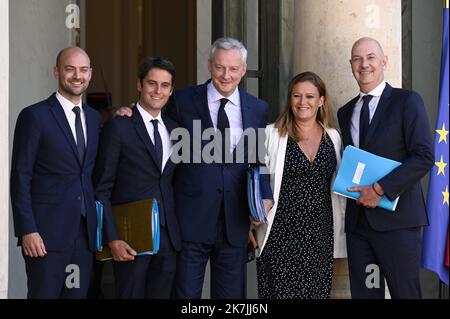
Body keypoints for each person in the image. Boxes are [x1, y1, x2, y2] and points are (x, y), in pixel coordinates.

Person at [117, 37, 272, 298]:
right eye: (220, 67)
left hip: (234, 223)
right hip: (189, 220)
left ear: (243, 70)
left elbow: (258, 160)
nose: (226, 75)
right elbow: (153, 122)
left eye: (234, 69)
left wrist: (264, 196)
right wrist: (129, 112)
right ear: (210, 66)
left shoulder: (257, 108)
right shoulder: (181, 100)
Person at [337, 37, 434, 298]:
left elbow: (424, 155)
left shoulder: (407, 101)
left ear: (384, 62)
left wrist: (380, 188)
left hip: (398, 223)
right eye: (357, 59)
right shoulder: (345, 112)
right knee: (367, 295)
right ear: (351, 65)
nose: (364, 64)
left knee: (405, 294)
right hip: (359, 227)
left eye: (370, 57)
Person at [10, 47, 101, 298]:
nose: (77, 76)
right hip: (45, 236)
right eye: (70, 69)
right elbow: (21, 176)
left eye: (83, 70)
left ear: (90, 74)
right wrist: (27, 229)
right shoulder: (34, 116)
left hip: (83, 236)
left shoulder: (94, 119)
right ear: (56, 71)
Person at [252, 72, 347, 299]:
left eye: (310, 96)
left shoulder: (333, 137)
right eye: (297, 96)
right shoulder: (271, 134)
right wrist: (251, 219)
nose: (302, 102)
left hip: (320, 234)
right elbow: (255, 179)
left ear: (321, 100)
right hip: (280, 233)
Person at [94, 57, 181, 298]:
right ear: (139, 85)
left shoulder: (176, 130)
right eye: (152, 83)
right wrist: (112, 238)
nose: (158, 91)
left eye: (165, 85)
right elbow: (102, 187)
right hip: (130, 237)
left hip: (168, 239)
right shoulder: (119, 127)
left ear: (171, 90)